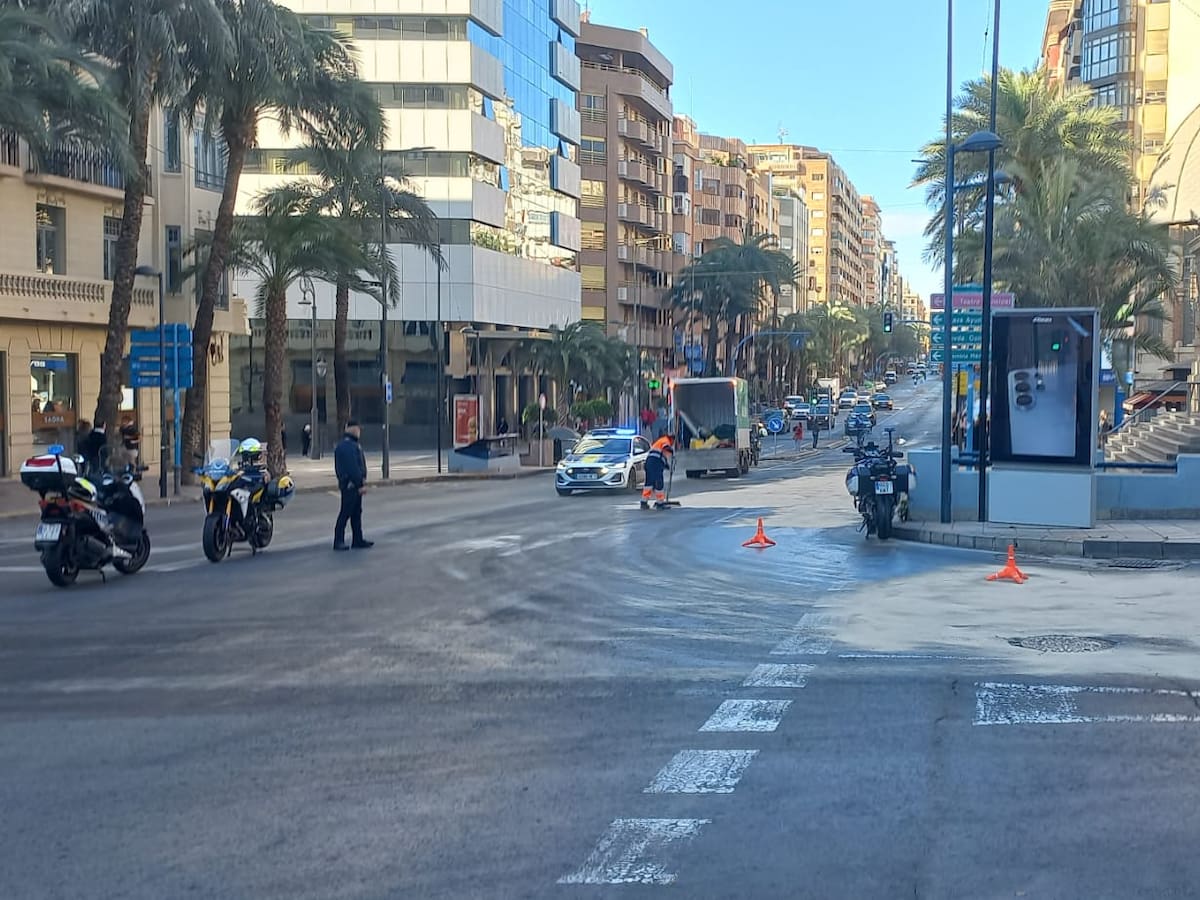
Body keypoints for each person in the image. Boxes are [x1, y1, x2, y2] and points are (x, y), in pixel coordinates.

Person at [333, 420, 373, 551]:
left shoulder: (351, 444)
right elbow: (353, 467)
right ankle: (339, 540)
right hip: (350, 485)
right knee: (346, 512)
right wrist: (360, 483)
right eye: (357, 429)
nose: (359, 431)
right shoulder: (347, 446)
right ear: (351, 429)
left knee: (356, 513)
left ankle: (358, 539)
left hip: (352, 484)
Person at [641, 433, 674, 510]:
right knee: (659, 482)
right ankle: (660, 503)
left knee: (649, 483)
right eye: (673, 442)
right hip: (655, 463)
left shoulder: (659, 441)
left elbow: (660, 454)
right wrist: (671, 451)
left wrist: (665, 464)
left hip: (650, 462)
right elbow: (666, 448)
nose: (672, 444)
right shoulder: (665, 440)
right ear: (671, 439)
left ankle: (643, 502)